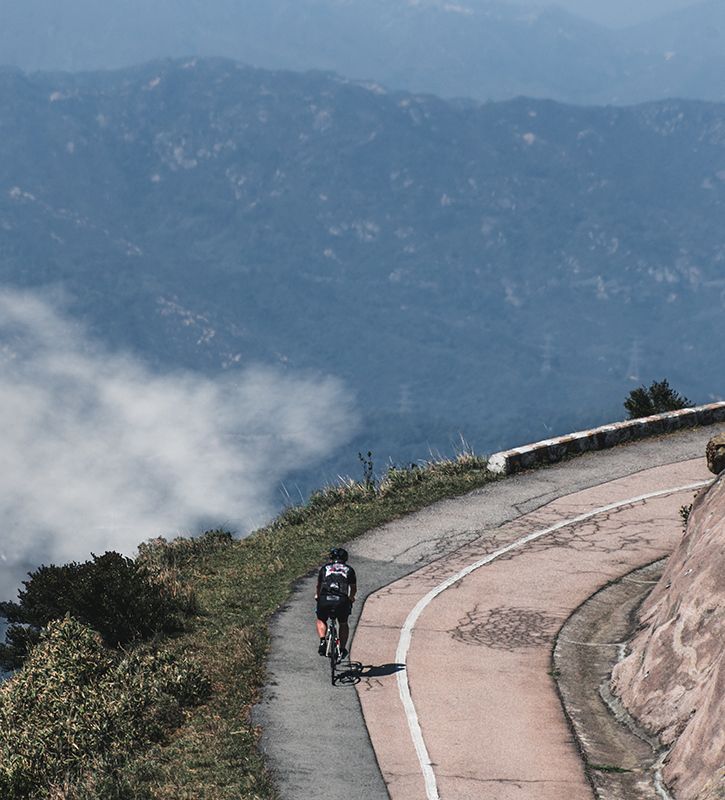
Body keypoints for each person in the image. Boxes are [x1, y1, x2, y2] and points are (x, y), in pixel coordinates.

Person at [315, 546, 357, 659]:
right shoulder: (349, 570)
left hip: (325, 599)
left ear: (331, 558)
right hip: (341, 600)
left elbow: (319, 585)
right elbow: (353, 588)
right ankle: (342, 649)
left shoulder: (325, 568)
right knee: (343, 623)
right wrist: (351, 597)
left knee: (321, 619)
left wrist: (318, 596)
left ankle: (323, 640)